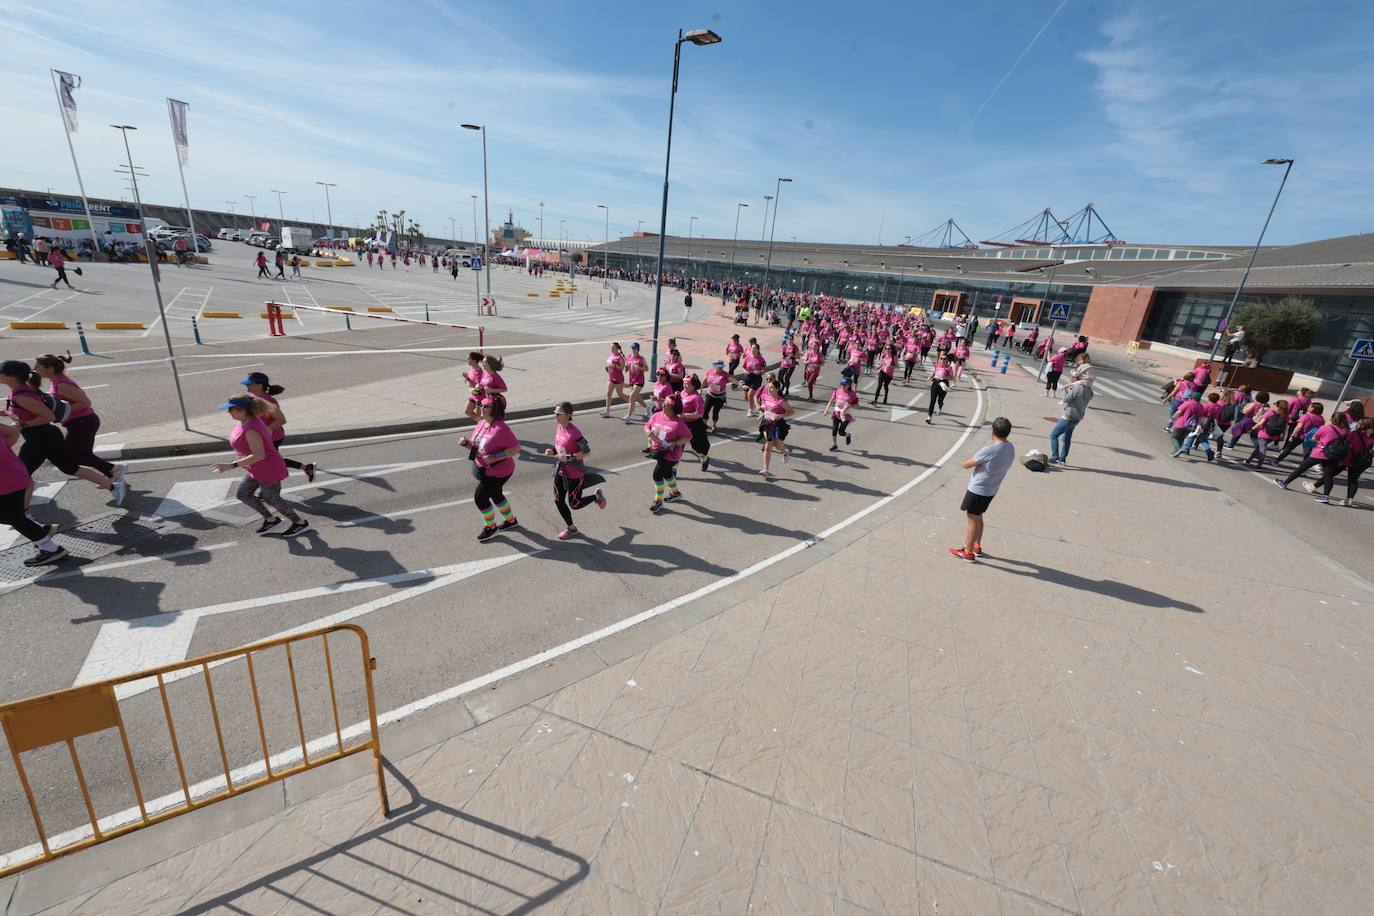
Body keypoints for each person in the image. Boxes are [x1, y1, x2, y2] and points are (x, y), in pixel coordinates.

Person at [1, 359, 125, 506]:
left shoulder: (21, 396)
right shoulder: (18, 392)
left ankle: (23, 514)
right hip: (43, 438)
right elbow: (28, 412)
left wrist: (23, 424)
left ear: (11, 376)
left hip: (42, 439)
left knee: (21, 474)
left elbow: (48, 416)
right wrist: (8, 413)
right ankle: (113, 487)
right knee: (70, 468)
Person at [211, 396, 310, 537]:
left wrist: (231, 465)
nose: (228, 412)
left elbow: (259, 455)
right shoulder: (243, 422)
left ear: (243, 410)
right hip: (254, 469)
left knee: (271, 498)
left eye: (231, 409)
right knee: (243, 494)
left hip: (268, 469)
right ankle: (271, 520)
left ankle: (300, 523)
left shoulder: (251, 428)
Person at [32, 353, 126, 484]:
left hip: (82, 423)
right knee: (84, 454)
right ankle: (112, 472)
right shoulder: (57, 381)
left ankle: (113, 469)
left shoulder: (61, 384)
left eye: (37, 366)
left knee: (71, 457)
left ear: (50, 369)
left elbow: (86, 402)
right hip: (81, 423)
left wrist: (61, 411)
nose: (34, 369)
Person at [0, 422, 67, 566]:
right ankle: (41, 531)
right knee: (12, 516)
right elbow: (13, 433)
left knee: (15, 518)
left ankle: (51, 549)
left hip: (5, 482)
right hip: (16, 474)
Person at [950, 416, 1015, 561]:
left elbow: (967, 464)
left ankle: (967, 551)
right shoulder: (1010, 447)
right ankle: (977, 546)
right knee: (978, 517)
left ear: (993, 431)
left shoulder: (990, 450)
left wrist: (968, 461)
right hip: (991, 490)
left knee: (972, 519)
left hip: (978, 489)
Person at [459, 394, 521, 541]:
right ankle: (511, 520)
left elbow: (516, 448)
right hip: (484, 468)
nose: (482, 407)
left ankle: (490, 527)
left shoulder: (501, 428)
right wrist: (467, 443)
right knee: (496, 495)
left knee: (480, 498)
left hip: (499, 471)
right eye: (482, 404)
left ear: (495, 410)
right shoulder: (482, 423)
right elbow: (477, 446)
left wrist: (494, 457)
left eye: (486, 406)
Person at [544, 402, 606, 540]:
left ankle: (596, 496)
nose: (556, 416)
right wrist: (552, 451)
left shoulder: (575, 432)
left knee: (575, 504)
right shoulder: (559, 427)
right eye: (555, 413)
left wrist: (569, 457)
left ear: (568, 415)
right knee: (558, 500)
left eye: (558, 414)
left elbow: (586, 451)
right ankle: (571, 528)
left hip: (575, 474)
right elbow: (560, 447)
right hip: (560, 470)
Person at [241, 372, 317, 481]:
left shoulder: (267, 401)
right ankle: (307, 468)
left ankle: (269, 489)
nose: (246, 386)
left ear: (259, 385)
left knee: (268, 462)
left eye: (249, 384)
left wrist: (267, 429)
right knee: (270, 461)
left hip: (273, 437)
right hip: (263, 437)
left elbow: (281, 419)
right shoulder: (255, 398)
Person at [645, 394, 690, 513]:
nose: (663, 407)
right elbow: (647, 426)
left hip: (671, 455)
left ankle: (658, 501)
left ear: (673, 409)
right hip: (658, 451)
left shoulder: (678, 423)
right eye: (664, 404)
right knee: (667, 474)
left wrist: (674, 443)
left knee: (657, 475)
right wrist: (649, 432)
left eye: (667, 406)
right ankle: (675, 493)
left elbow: (687, 437)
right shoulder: (657, 415)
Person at [1049, 368, 1094, 466]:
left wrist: (1065, 389)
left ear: (1078, 378)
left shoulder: (1077, 388)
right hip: (1077, 417)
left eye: (1073, 377)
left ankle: (1055, 457)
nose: (1071, 378)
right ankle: (1063, 459)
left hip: (1069, 416)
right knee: (1067, 438)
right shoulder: (1089, 389)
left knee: (1053, 435)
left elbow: (1066, 399)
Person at [758, 375, 794, 477]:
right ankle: (765, 469)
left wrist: (781, 415)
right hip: (766, 423)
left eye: (772, 387)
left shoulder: (781, 401)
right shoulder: (765, 396)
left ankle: (785, 452)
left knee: (778, 445)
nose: (769, 389)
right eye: (769, 387)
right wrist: (762, 412)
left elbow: (791, 411)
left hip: (777, 424)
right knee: (768, 443)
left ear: (777, 389)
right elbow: (764, 407)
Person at [679, 375, 712, 471]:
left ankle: (704, 458)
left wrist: (684, 415)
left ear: (693, 386)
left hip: (694, 425)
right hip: (682, 424)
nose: (685, 385)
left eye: (687, 384)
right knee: (678, 448)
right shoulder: (682, 393)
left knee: (697, 446)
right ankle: (673, 472)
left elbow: (699, 414)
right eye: (684, 383)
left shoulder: (696, 398)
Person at [1245, 398, 1289, 469]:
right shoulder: (1286, 415)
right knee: (1259, 448)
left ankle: (1259, 466)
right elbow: (1285, 427)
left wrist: (1252, 429)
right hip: (1274, 436)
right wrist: (1283, 436)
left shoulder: (1270, 412)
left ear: (1277, 406)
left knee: (1262, 450)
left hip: (1264, 434)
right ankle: (1249, 459)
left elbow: (1260, 423)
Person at [825, 377, 859, 451]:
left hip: (845, 415)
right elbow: (831, 401)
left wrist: (849, 405)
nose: (842, 386)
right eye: (841, 384)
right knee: (834, 430)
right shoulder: (837, 391)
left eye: (844, 385)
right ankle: (835, 445)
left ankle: (848, 435)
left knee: (841, 432)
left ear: (849, 385)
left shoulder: (853, 394)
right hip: (836, 413)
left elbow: (857, 406)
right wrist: (826, 410)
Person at [623, 342, 648, 422]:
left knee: (632, 397)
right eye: (632, 348)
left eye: (635, 349)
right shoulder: (629, 357)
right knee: (636, 397)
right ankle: (647, 407)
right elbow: (627, 368)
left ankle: (628, 416)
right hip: (632, 380)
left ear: (638, 350)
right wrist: (626, 368)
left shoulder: (641, 359)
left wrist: (639, 367)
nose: (633, 350)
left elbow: (647, 368)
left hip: (639, 381)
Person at [703, 360, 730, 432]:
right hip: (710, 395)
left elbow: (732, 379)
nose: (721, 368)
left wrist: (737, 383)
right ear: (714, 366)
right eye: (719, 367)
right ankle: (704, 425)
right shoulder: (709, 372)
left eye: (722, 367)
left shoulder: (725, 374)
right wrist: (701, 390)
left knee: (715, 412)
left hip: (720, 397)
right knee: (705, 410)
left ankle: (714, 425)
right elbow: (705, 380)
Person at [741, 342, 766, 417]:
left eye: (754, 348)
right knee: (746, 397)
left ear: (758, 350)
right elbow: (743, 367)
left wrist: (760, 372)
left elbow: (764, 370)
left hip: (756, 378)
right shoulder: (747, 357)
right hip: (748, 378)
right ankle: (754, 403)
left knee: (750, 394)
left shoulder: (761, 359)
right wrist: (745, 371)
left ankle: (751, 410)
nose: (752, 349)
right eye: (752, 348)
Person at [602, 342, 626, 418]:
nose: (611, 349)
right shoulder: (611, 355)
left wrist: (614, 365)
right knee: (608, 393)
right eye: (611, 348)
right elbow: (609, 365)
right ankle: (607, 411)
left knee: (620, 395)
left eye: (613, 348)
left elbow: (622, 368)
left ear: (617, 349)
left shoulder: (619, 357)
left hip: (618, 378)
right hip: (611, 377)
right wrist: (608, 368)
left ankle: (631, 401)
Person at [925, 357, 952, 424]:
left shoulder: (949, 368)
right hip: (936, 383)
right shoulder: (937, 365)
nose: (942, 360)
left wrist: (945, 377)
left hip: (944, 384)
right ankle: (929, 417)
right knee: (932, 401)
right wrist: (929, 377)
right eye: (941, 358)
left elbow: (952, 377)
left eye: (944, 359)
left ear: (947, 360)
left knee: (940, 400)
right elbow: (934, 372)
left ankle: (940, 406)